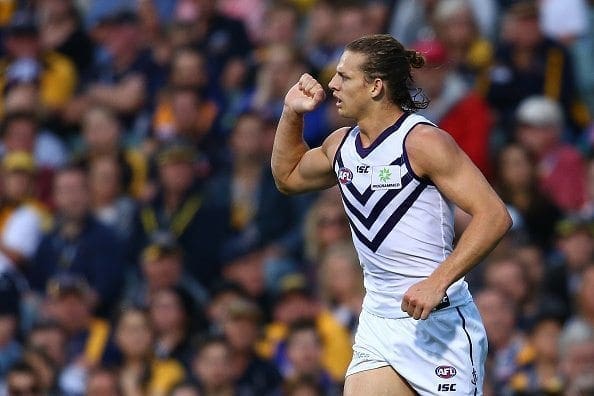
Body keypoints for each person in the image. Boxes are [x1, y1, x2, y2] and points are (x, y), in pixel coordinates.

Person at [271, 33, 512, 395]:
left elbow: (494, 216)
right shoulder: (340, 144)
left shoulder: (423, 142)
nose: (332, 85)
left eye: (344, 76)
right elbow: (287, 178)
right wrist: (291, 113)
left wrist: (437, 282)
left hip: (439, 322)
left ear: (375, 86)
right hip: (380, 321)